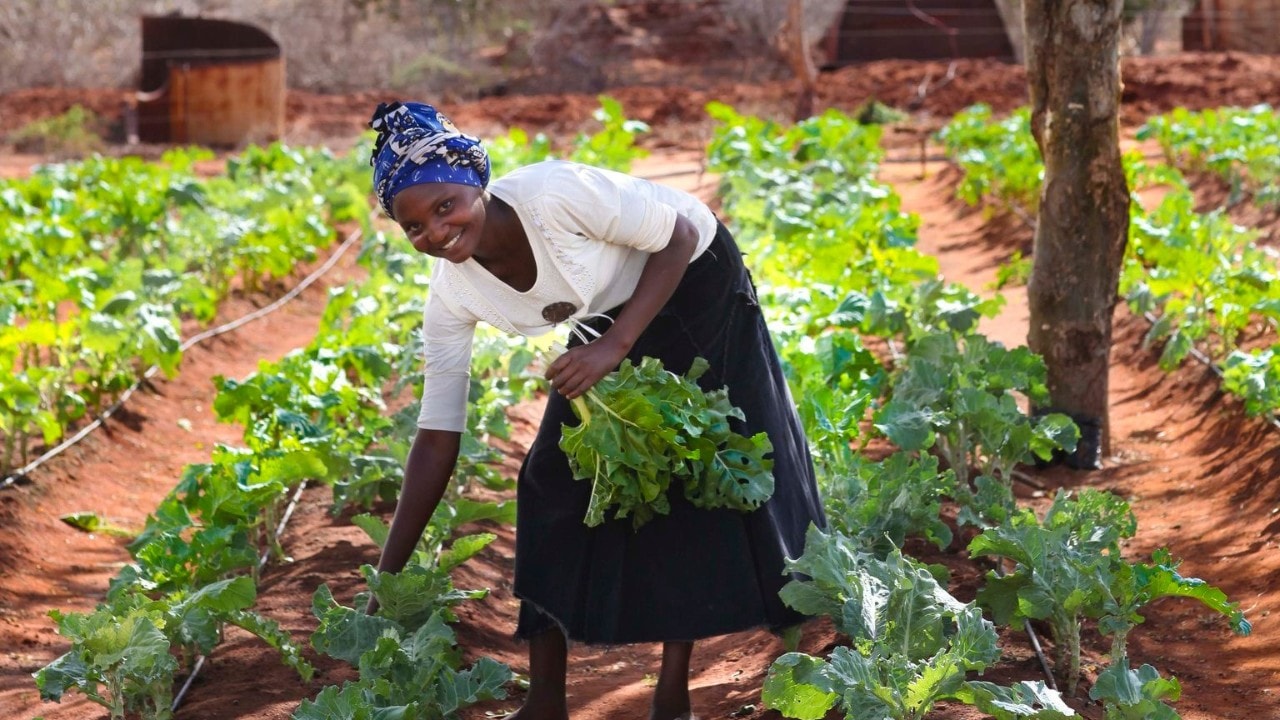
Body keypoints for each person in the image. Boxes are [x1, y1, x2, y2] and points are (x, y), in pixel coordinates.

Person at [366, 101, 826, 720]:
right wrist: (385, 580)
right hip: (609, 315)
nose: (436, 232)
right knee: (549, 483)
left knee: (691, 466)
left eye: (443, 205)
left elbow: (679, 236)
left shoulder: (555, 195)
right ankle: (546, 702)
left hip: (693, 280)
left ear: (474, 178)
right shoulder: (453, 295)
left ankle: (671, 694)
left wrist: (613, 347)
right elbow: (436, 436)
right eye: (414, 226)